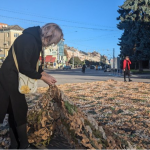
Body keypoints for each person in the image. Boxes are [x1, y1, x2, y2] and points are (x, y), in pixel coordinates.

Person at [0, 23, 63, 150]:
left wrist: (46, 75)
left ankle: (15, 145)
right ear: (48, 35)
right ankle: (24, 145)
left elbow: (34, 65)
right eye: (52, 42)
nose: (51, 45)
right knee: (20, 110)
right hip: (10, 78)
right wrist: (43, 78)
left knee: (14, 111)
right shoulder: (28, 39)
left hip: (13, 78)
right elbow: (24, 66)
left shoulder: (34, 40)